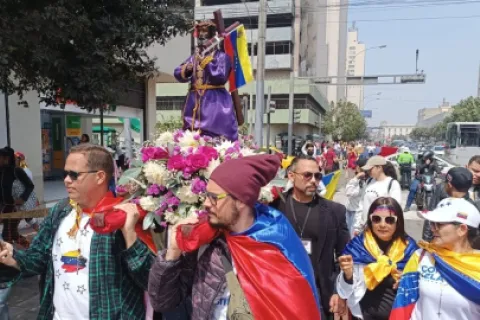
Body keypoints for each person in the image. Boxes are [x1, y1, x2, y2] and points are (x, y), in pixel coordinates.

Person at [148, 154, 322, 319]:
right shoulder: (205, 241)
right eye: (207, 195)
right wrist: (172, 252)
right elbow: (162, 302)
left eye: (215, 198)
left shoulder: (277, 243)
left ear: (240, 201)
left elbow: (298, 309)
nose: (207, 203)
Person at [0, 144, 154, 319]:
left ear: (100, 177)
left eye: (74, 175)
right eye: (65, 174)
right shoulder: (60, 210)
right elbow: (37, 258)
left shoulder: (123, 216)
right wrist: (11, 257)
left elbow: (151, 281)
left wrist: (130, 235)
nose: (66, 180)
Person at [271, 155, 350, 319]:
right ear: (291, 176)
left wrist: (339, 292)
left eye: (318, 176)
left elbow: (345, 257)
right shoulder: (274, 209)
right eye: (307, 175)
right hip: (281, 294)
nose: (314, 180)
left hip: (319, 296)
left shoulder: (335, 212)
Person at [390, 198, 480, 320]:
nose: (432, 228)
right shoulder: (420, 256)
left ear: (462, 229)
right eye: (432, 223)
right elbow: (403, 304)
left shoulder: (477, 265)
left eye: (439, 224)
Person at [337, 197, 418, 320]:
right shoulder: (357, 247)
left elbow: (421, 289)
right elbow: (344, 292)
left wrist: (407, 282)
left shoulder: (410, 250)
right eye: (376, 219)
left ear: (398, 222)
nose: (382, 224)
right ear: (370, 221)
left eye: (390, 220)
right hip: (361, 316)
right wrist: (348, 276)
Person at [173, 20, 240, 141]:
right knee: (191, 133)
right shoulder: (194, 57)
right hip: (194, 99)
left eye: (205, 31)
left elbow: (220, 76)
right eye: (200, 32)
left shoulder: (222, 56)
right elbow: (177, 72)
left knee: (214, 132)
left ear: (212, 35)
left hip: (214, 101)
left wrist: (205, 62)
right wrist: (187, 68)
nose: (202, 35)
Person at [422, 167, 474, 241]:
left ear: (449, 184)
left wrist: (426, 239)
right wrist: (426, 240)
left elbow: (431, 213)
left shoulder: (469, 205)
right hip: (442, 242)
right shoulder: (471, 205)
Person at [354, 156, 402, 236]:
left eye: (371, 169)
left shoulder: (392, 184)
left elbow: (396, 208)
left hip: (381, 228)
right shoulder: (369, 181)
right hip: (365, 228)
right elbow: (362, 203)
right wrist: (358, 226)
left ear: (379, 167)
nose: (368, 171)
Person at [0, 147, 34, 245]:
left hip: (15, 208)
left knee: (7, 235)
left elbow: (30, 186)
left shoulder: (16, 170)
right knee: (13, 234)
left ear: (6, 159)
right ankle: (29, 247)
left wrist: (22, 198)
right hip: (4, 207)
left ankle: (11, 257)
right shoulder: (1, 171)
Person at [14, 151, 40, 232]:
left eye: (16, 159)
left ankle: (41, 233)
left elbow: (29, 185)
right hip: (17, 198)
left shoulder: (25, 170)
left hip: (24, 198)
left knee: (27, 217)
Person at [345, 158, 368, 238]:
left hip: (357, 213)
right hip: (350, 210)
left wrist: (356, 178)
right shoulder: (359, 179)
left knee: (352, 238)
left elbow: (349, 192)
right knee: (347, 236)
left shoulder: (363, 181)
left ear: (358, 167)